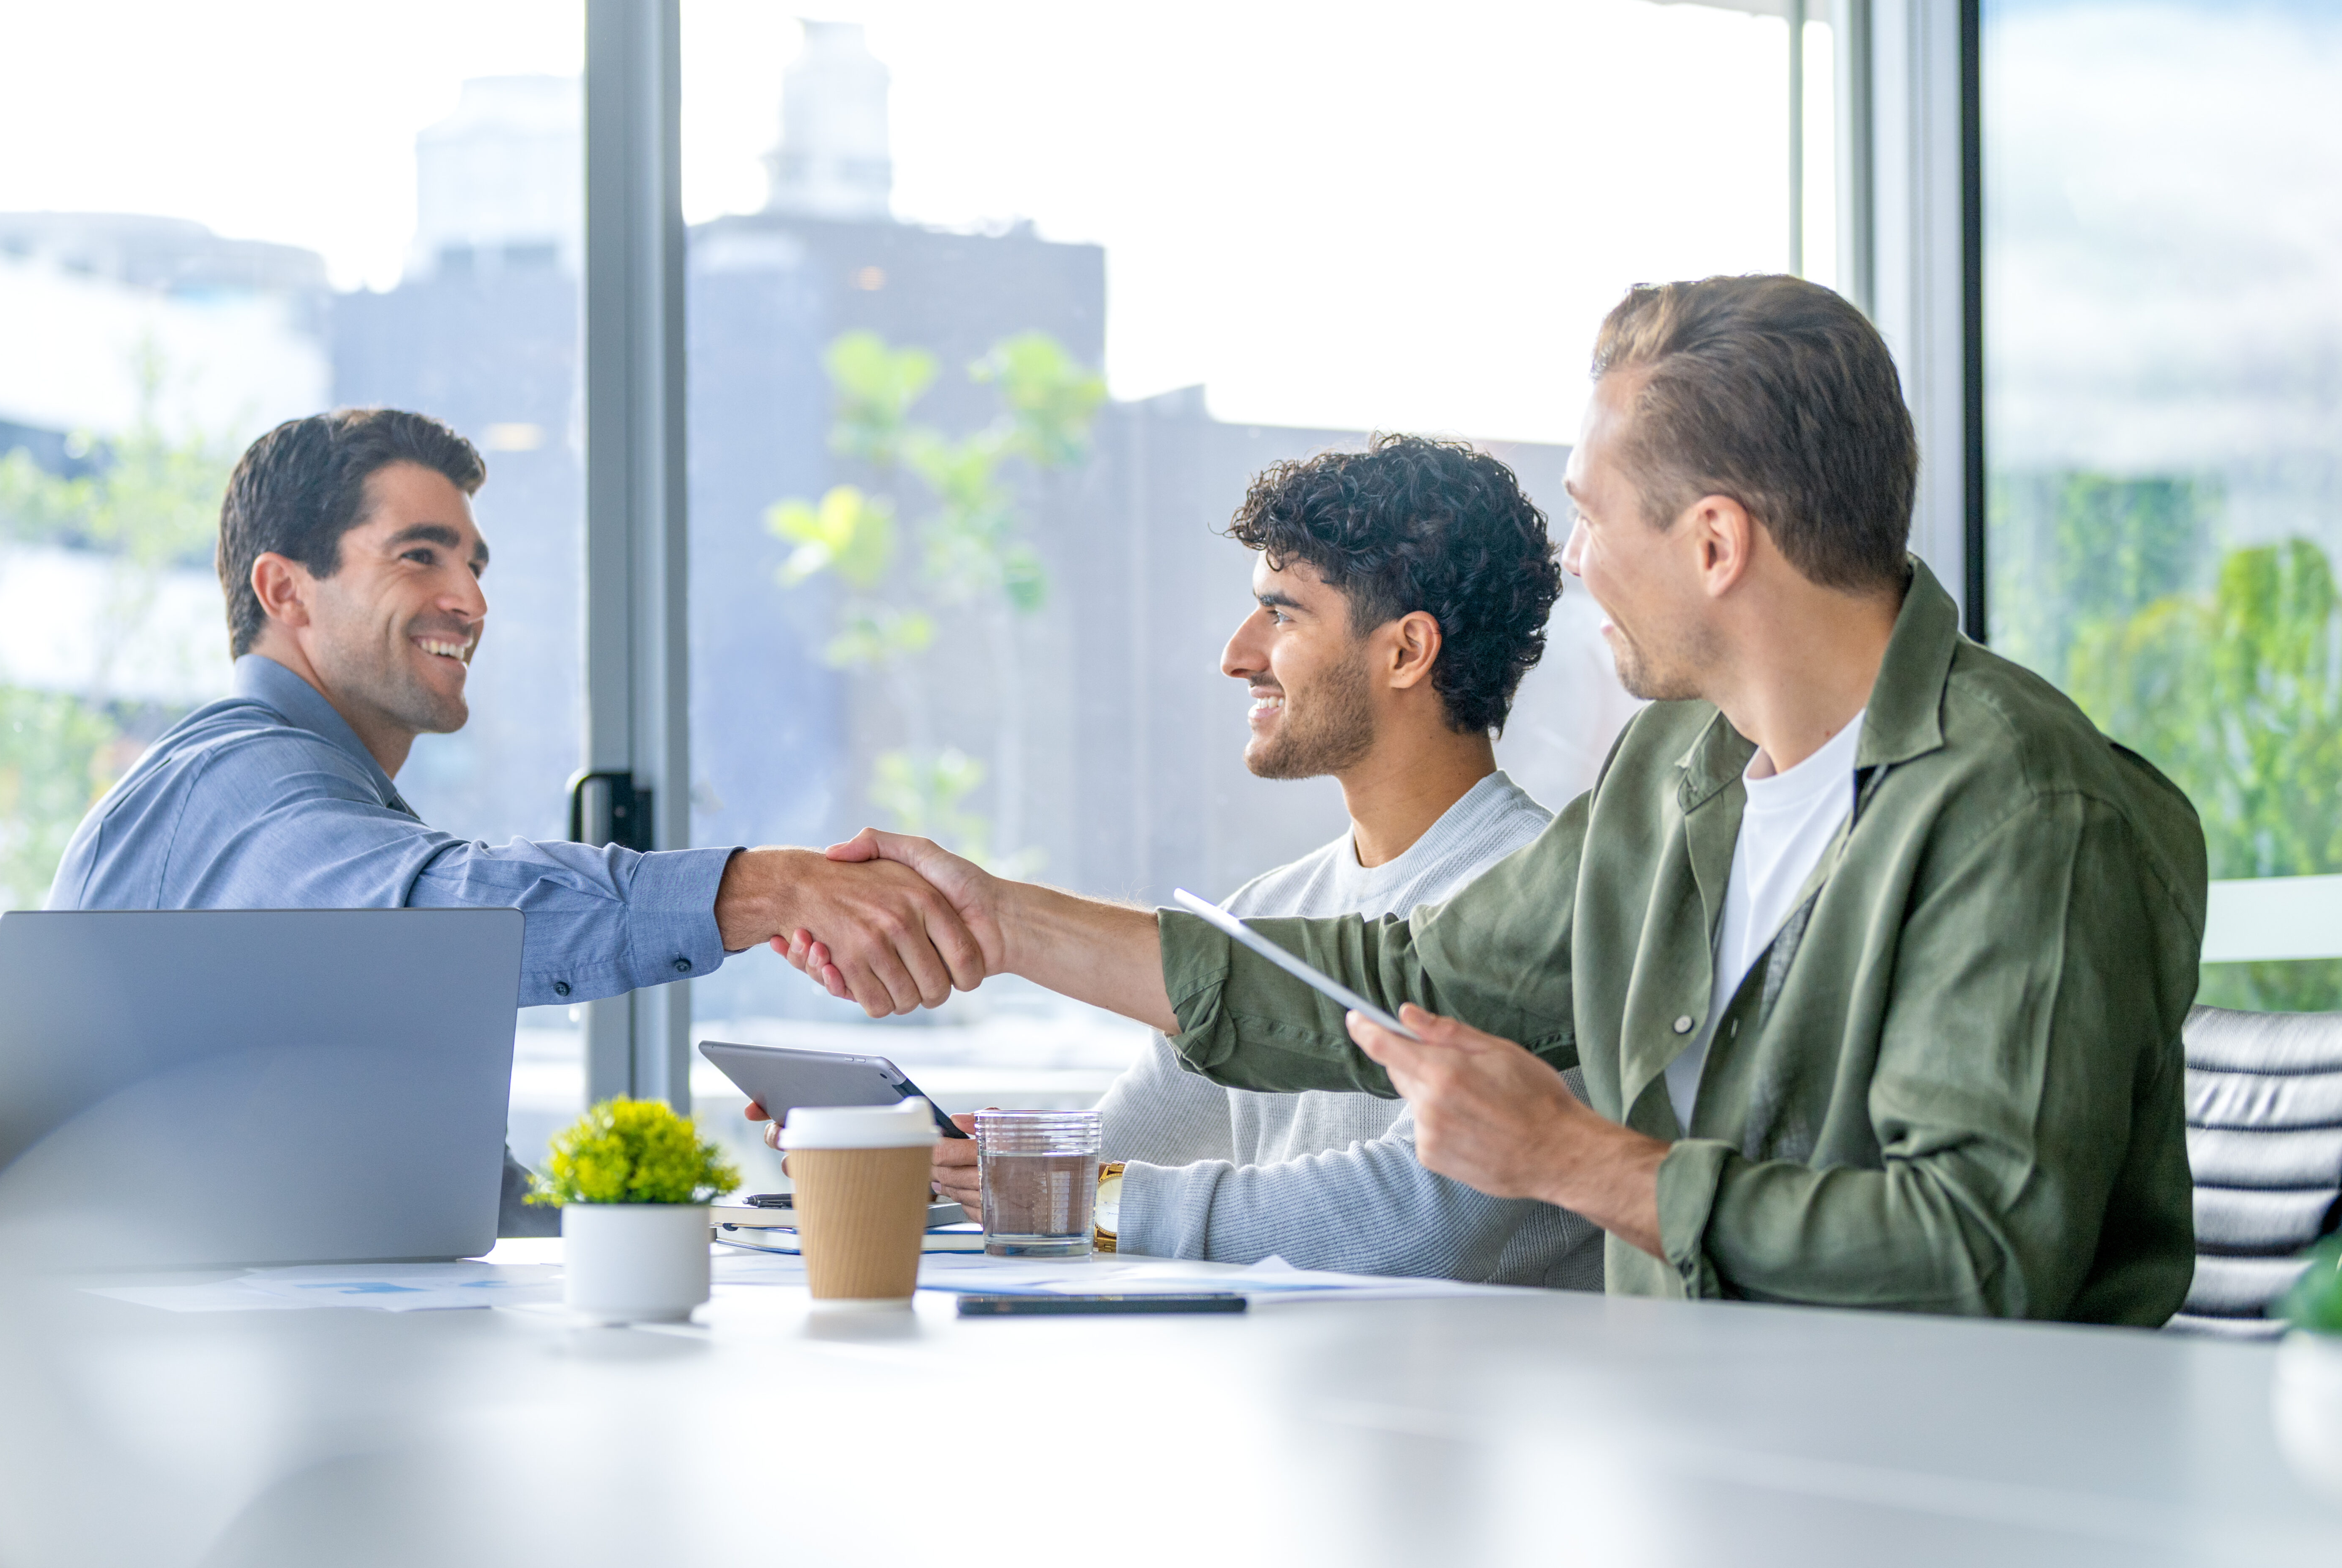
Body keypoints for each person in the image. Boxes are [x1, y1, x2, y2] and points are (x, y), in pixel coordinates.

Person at [783, 276, 2207, 1323]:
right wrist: (998, 916)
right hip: (1712, 1479)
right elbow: (1401, 977)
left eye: (1593, 514)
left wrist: (1581, 1161)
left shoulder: (2024, 810)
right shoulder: (1678, 774)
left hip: (1955, 1528)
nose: (1576, 560)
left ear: (1714, 543)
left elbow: (1974, 1250)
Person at [47, 409, 979, 1223]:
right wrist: (771, 888)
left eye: (474, 564)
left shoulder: (317, 800)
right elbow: (443, 917)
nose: (472, 601)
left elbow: (453, 1196)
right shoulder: (239, 788)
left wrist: (709, 1229)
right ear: (286, 591)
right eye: (420, 555)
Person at [920, 437, 1603, 1282]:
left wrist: (1073, 1196)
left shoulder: (1547, 908)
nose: (1237, 655)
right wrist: (932, 1158)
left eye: (1282, 614)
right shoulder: (1276, 905)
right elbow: (1116, 1153)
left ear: (1406, 652)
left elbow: (1417, 1225)